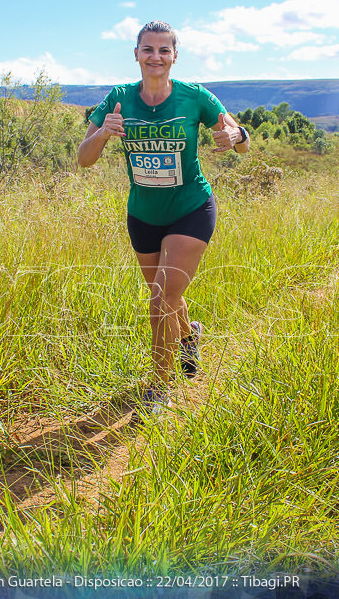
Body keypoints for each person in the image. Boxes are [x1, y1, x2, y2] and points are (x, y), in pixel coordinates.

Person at [78, 20, 249, 413]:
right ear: (136, 54)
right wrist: (103, 133)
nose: (156, 57)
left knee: (160, 296)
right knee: (167, 297)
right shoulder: (119, 98)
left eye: (164, 50)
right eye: (148, 49)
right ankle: (190, 335)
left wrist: (236, 137)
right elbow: (83, 159)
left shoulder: (195, 97)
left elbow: (239, 138)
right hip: (143, 214)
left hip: (190, 209)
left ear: (174, 56)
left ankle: (158, 387)